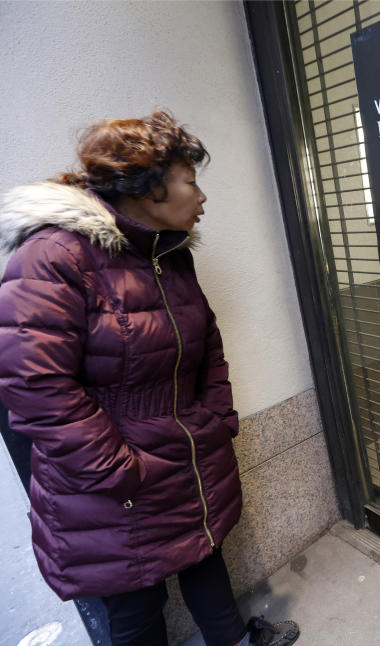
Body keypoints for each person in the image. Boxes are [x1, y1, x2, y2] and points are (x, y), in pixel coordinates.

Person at [0, 109, 298, 646]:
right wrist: (118, 468)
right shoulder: (54, 256)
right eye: (191, 180)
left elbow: (206, 346)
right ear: (150, 186)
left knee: (205, 551)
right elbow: (35, 388)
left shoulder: (168, 255)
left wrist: (215, 417)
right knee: (136, 601)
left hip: (184, 445)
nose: (202, 196)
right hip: (113, 475)